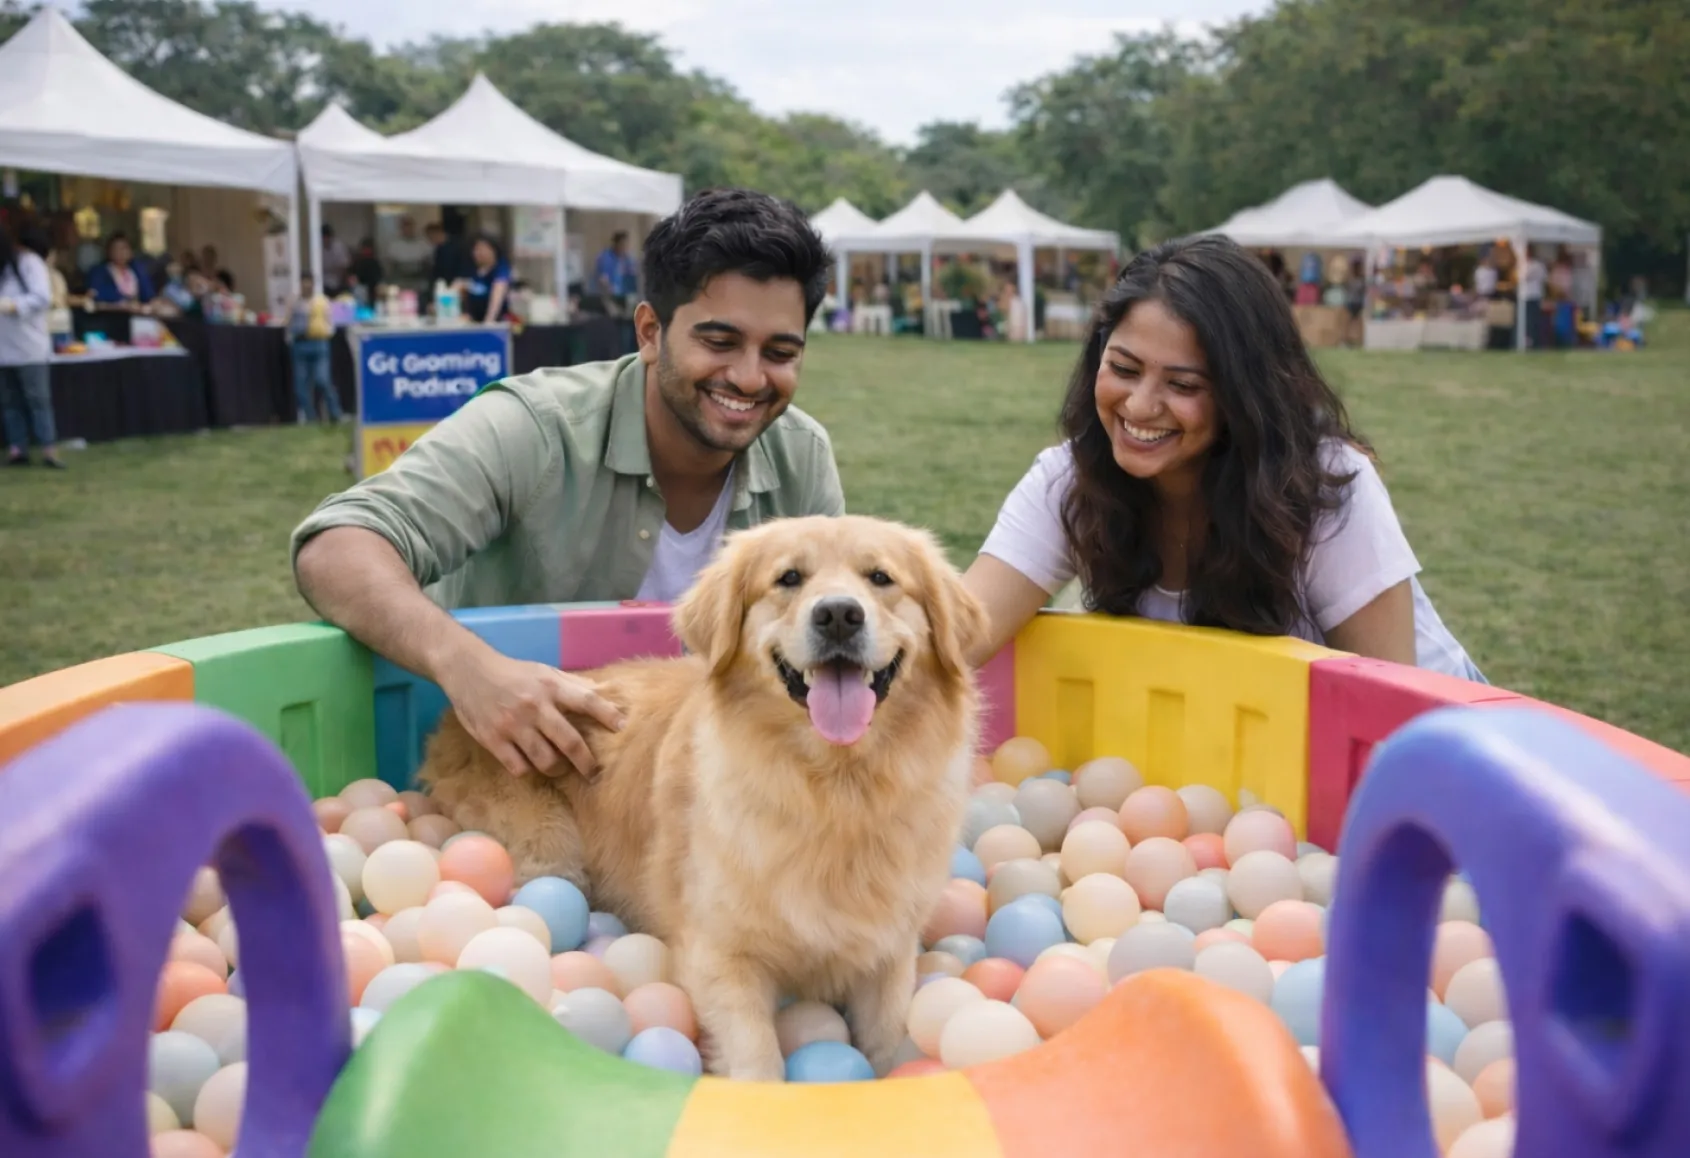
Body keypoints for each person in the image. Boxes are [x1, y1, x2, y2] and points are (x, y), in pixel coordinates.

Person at [290, 187, 843, 779]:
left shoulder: (801, 456)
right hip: (499, 780)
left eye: (780, 351)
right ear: (650, 331)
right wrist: (469, 667)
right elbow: (336, 547)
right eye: (719, 342)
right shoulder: (535, 427)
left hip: (698, 792)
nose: (749, 377)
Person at [961, 233, 1483, 682]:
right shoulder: (1067, 481)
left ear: (1244, 396)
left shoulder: (1324, 487)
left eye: (1183, 384)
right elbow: (957, 644)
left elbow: (1386, 701)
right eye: (1122, 368)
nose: (1140, 405)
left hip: (1440, 744)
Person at [0, 220, 63, 468]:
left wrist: (13, 305)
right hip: (4, 346)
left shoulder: (29, 262)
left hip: (29, 346)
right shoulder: (4, 267)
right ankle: (18, 449)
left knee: (38, 400)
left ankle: (49, 449)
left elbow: (42, 297)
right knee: (9, 401)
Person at [286, 273, 342, 424]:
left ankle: (335, 413)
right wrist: (290, 337)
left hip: (319, 343)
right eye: (303, 282)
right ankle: (311, 418)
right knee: (300, 386)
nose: (306, 285)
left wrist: (325, 332)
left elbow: (333, 322)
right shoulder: (294, 302)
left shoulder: (322, 302)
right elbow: (288, 321)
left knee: (322, 380)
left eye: (308, 282)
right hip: (300, 344)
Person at [86, 233, 155, 310]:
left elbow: (148, 295)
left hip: (140, 313)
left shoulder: (137, 270)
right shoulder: (99, 272)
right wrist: (123, 301)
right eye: (116, 249)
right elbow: (95, 294)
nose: (121, 253)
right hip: (114, 315)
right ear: (109, 252)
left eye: (124, 248)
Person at [458, 233, 511, 324]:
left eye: (482, 249)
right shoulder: (472, 269)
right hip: (473, 320)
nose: (478, 253)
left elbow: (497, 294)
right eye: (476, 249)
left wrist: (489, 321)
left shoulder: (501, 269)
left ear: (493, 250)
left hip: (496, 321)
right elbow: (463, 288)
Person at [595, 230, 639, 314]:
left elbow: (633, 276)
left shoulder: (627, 258)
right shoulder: (606, 258)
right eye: (623, 244)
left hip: (625, 297)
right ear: (616, 244)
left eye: (626, 244)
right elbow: (603, 281)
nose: (625, 247)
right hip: (608, 297)